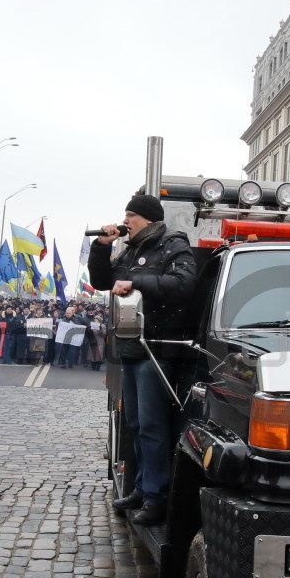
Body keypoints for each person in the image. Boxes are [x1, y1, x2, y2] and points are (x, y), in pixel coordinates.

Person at [89, 193, 199, 526]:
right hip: (132, 349)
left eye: (129, 217)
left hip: (156, 349)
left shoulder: (173, 245)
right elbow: (100, 281)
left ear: (147, 219)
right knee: (136, 425)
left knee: (152, 427)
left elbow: (184, 284)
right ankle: (141, 487)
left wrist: (135, 281)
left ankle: (156, 496)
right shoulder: (131, 249)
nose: (124, 224)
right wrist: (102, 246)